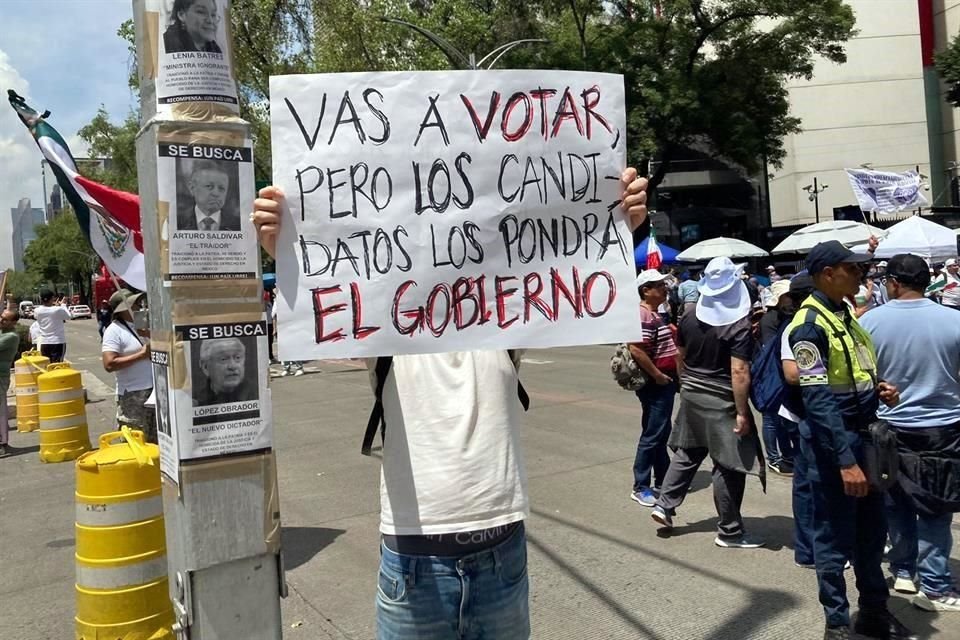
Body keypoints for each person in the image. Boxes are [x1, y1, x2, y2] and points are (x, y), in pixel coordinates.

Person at [251, 169, 649, 640]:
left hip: (501, 556)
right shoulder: (383, 335)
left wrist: (616, 217)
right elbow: (324, 297)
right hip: (413, 566)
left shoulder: (510, 320)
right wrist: (286, 250)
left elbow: (566, 265)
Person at [786, 240, 914, 640]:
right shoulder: (809, 325)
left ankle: (874, 612)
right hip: (833, 445)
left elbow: (850, 375)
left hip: (864, 437)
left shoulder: (844, 314)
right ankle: (837, 623)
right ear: (828, 274)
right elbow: (818, 399)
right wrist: (845, 461)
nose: (861, 275)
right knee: (833, 537)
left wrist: (877, 388)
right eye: (853, 268)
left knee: (872, 534)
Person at [859, 254, 960, 612]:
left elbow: (862, 377)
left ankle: (904, 569)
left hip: (888, 425)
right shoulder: (954, 320)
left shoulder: (868, 322)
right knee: (936, 507)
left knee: (895, 500)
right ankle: (933, 584)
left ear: (893, 283)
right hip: (942, 426)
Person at [650, 257, 765, 549]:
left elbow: (679, 353)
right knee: (728, 464)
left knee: (689, 451)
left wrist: (684, 382)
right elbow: (739, 371)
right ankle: (730, 531)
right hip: (722, 395)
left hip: (692, 388)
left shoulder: (688, 314)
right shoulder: (738, 324)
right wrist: (742, 413)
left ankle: (664, 505)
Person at [628, 270, 679, 507]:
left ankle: (663, 478)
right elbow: (637, 349)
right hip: (656, 382)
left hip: (663, 381)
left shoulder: (654, 314)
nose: (664, 288)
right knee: (653, 434)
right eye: (659, 285)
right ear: (645, 290)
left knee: (659, 431)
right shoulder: (642, 315)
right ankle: (641, 486)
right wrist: (657, 375)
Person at [102, 290, 156, 442]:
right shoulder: (114, 331)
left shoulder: (142, 326)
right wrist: (141, 355)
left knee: (154, 440)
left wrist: (150, 335)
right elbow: (109, 363)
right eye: (135, 303)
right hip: (133, 394)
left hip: (154, 390)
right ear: (123, 308)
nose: (140, 306)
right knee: (135, 439)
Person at [758, 279, 796, 475]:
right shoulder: (770, 320)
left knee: (782, 418)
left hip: (782, 372)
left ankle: (787, 456)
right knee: (771, 418)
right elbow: (770, 349)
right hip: (771, 373)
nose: (790, 300)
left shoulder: (787, 316)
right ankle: (773, 458)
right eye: (786, 296)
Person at [177, 160, 240, 231]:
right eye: (209, 186)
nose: (216, 193)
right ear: (192, 188)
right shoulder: (177, 222)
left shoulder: (238, 224)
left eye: (221, 188)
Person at [194, 337, 255, 405]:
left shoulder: (259, 395)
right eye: (223, 359)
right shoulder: (194, 401)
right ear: (205, 367)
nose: (232, 366)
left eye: (237, 358)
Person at [0, 307, 21, 456]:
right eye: (1, 317)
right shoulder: (3, 332)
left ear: (13, 322)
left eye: (5, 319)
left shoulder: (12, 336)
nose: (1, 320)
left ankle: (2, 443)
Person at [34, 289, 70, 363]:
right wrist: (63, 305)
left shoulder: (37, 311)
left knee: (46, 365)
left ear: (41, 299)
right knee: (57, 366)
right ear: (52, 298)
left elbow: (47, 311)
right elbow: (68, 316)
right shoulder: (57, 310)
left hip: (44, 342)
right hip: (57, 342)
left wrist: (55, 306)